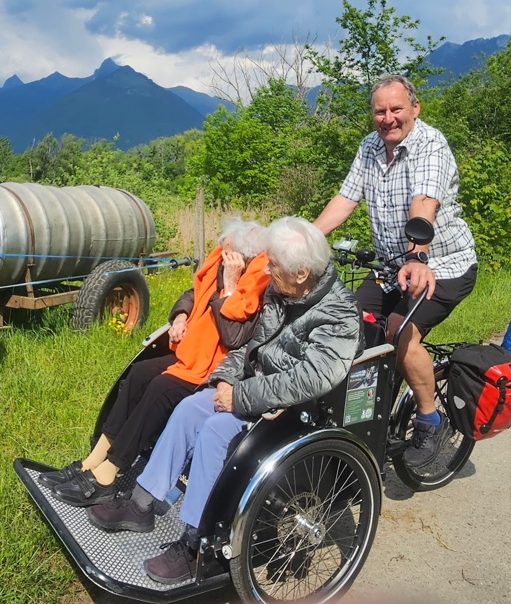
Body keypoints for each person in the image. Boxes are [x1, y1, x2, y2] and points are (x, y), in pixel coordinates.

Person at [86, 216, 362, 584]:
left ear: (300, 273)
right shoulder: (285, 290)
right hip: (250, 388)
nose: (266, 267)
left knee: (215, 431)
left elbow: (309, 380)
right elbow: (249, 346)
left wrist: (240, 397)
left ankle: (198, 544)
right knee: (187, 410)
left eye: (274, 264)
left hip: (291, 407)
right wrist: (225, 380)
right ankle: (141, 503)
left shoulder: (340, 315)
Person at [44, 217, 269, 508]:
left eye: (228, 254)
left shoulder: (255, 284)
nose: (221, 256)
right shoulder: (222, 264)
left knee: (161, 387)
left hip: (221, 366)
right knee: (138, 374)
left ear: (245, 257)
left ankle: (109, 473)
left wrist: (229, 288)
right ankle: (92, 461)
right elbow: (194, 294)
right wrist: (181, 316)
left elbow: (234, 338)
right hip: (193, 351)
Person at [313, 73, 478, 469]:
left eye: (397, 109)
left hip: (442, 266)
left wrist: (418, 257)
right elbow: (345, 198)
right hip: (391, 268)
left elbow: (423, 202)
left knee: (397, 332)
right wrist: (302, 240)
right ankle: (365, 418)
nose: (388, 118)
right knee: (345, 323)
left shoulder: (430, 145)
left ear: (414, 109)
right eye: (380, 111)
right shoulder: (370, 146)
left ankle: (429, 419)